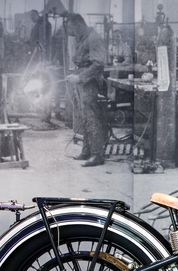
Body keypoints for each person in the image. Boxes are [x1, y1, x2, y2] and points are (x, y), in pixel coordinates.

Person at [65, 14, 109, 167]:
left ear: (79, 24)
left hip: (90, 82)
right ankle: (87, 151)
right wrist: (75, 74)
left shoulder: (93, 38)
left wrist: (80, 77)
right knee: (84, 117)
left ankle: (97, 154)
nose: (71, 33)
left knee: (91, 117)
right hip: (82, 80)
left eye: (72, 29)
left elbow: (98, 64)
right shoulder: (82, 37)